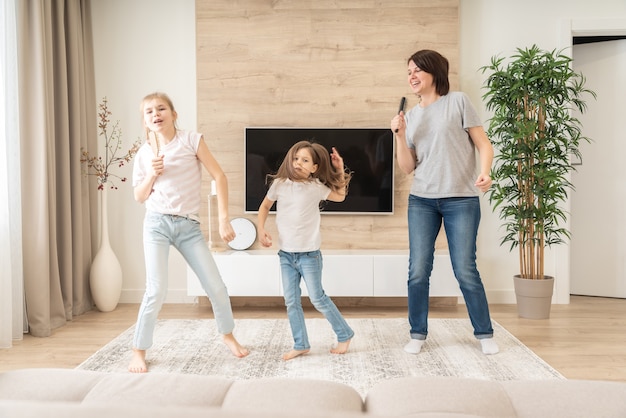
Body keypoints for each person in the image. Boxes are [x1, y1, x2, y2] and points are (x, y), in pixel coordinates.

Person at [128, 92, 249, 373]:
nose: (155, 114)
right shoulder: (145, 154)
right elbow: (139, 196)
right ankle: (139, 350)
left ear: (173, 114)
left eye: (161, 109)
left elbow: (219, 176)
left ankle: (227, 335)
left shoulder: (191, 140)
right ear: (145, 121)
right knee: (156, 290)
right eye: (149, 112)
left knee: (216, 287)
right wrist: (152, 174)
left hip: (188, 226)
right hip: (156, 224)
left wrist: (223, 220)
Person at [390, 50, 499, 355]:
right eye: (408, 71)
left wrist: (485, 173)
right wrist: (399, 136)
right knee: (418, 270)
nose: (411, 76)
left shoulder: (458, 102)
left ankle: (485, 333)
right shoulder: (410, 117)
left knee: (465, 269)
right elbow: (408, 167)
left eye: (417, 71)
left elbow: (483, 144)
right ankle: (417, 333)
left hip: (461, 198)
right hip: (422, 199)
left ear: (434, 72)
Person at [257, 140, 354, 360]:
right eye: (296, 158)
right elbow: (264, 206)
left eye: (305, 160)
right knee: (291, 301)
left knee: (318, 298)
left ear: (314, 168)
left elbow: (340, 196)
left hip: (309, 255)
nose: (298, 162)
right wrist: (261, 228)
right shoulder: (280, 184)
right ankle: (300, 344)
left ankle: (345, 334)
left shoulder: (316, 188)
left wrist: (339, 168)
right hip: (286, 255)